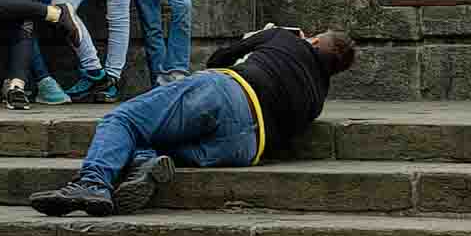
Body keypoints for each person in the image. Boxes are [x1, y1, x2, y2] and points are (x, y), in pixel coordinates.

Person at [29, 26, 359, 216]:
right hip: (244, 149)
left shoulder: (287, 39)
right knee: (149, 138)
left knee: (124, 120)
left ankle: (93, 184)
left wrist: (273, 34)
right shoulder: (317, 100)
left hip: (226, 93)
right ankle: (145, 163)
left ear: (314, 40)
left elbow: (223, 55)